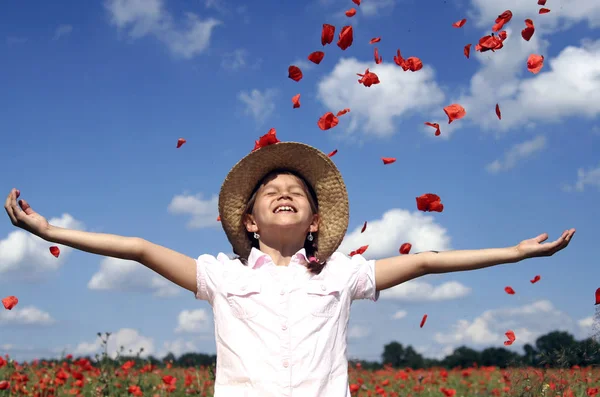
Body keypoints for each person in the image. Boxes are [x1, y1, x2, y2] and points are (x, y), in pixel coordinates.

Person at [4, 141, 575, 397]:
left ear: (312, 224)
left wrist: (516, 253)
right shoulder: (221, 277)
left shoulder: (342, 274)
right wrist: (51, 233)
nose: (283, 193)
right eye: (271, 191)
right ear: (249, 221)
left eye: (296, 191)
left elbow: (424, 260)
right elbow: (136, 246)